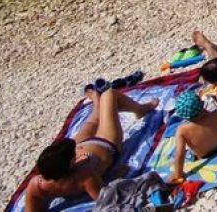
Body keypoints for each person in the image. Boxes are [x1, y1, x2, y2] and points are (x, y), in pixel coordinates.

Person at [23, 87, 159, 210]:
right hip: (105, 143)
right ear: (71, 163)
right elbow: (107, 198)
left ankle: (95, 100)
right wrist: (119, 174)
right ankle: (139, 109)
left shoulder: (38, 184)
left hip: (82, 147)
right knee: (109, 94)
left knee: (92, 121)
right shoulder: (84, 175)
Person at [167, 88, 217, 185]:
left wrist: (178, 175)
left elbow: (179, 155)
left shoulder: (182, 131)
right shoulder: (216, 114)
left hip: (205, 154)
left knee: (181, 153)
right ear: (202, 105)